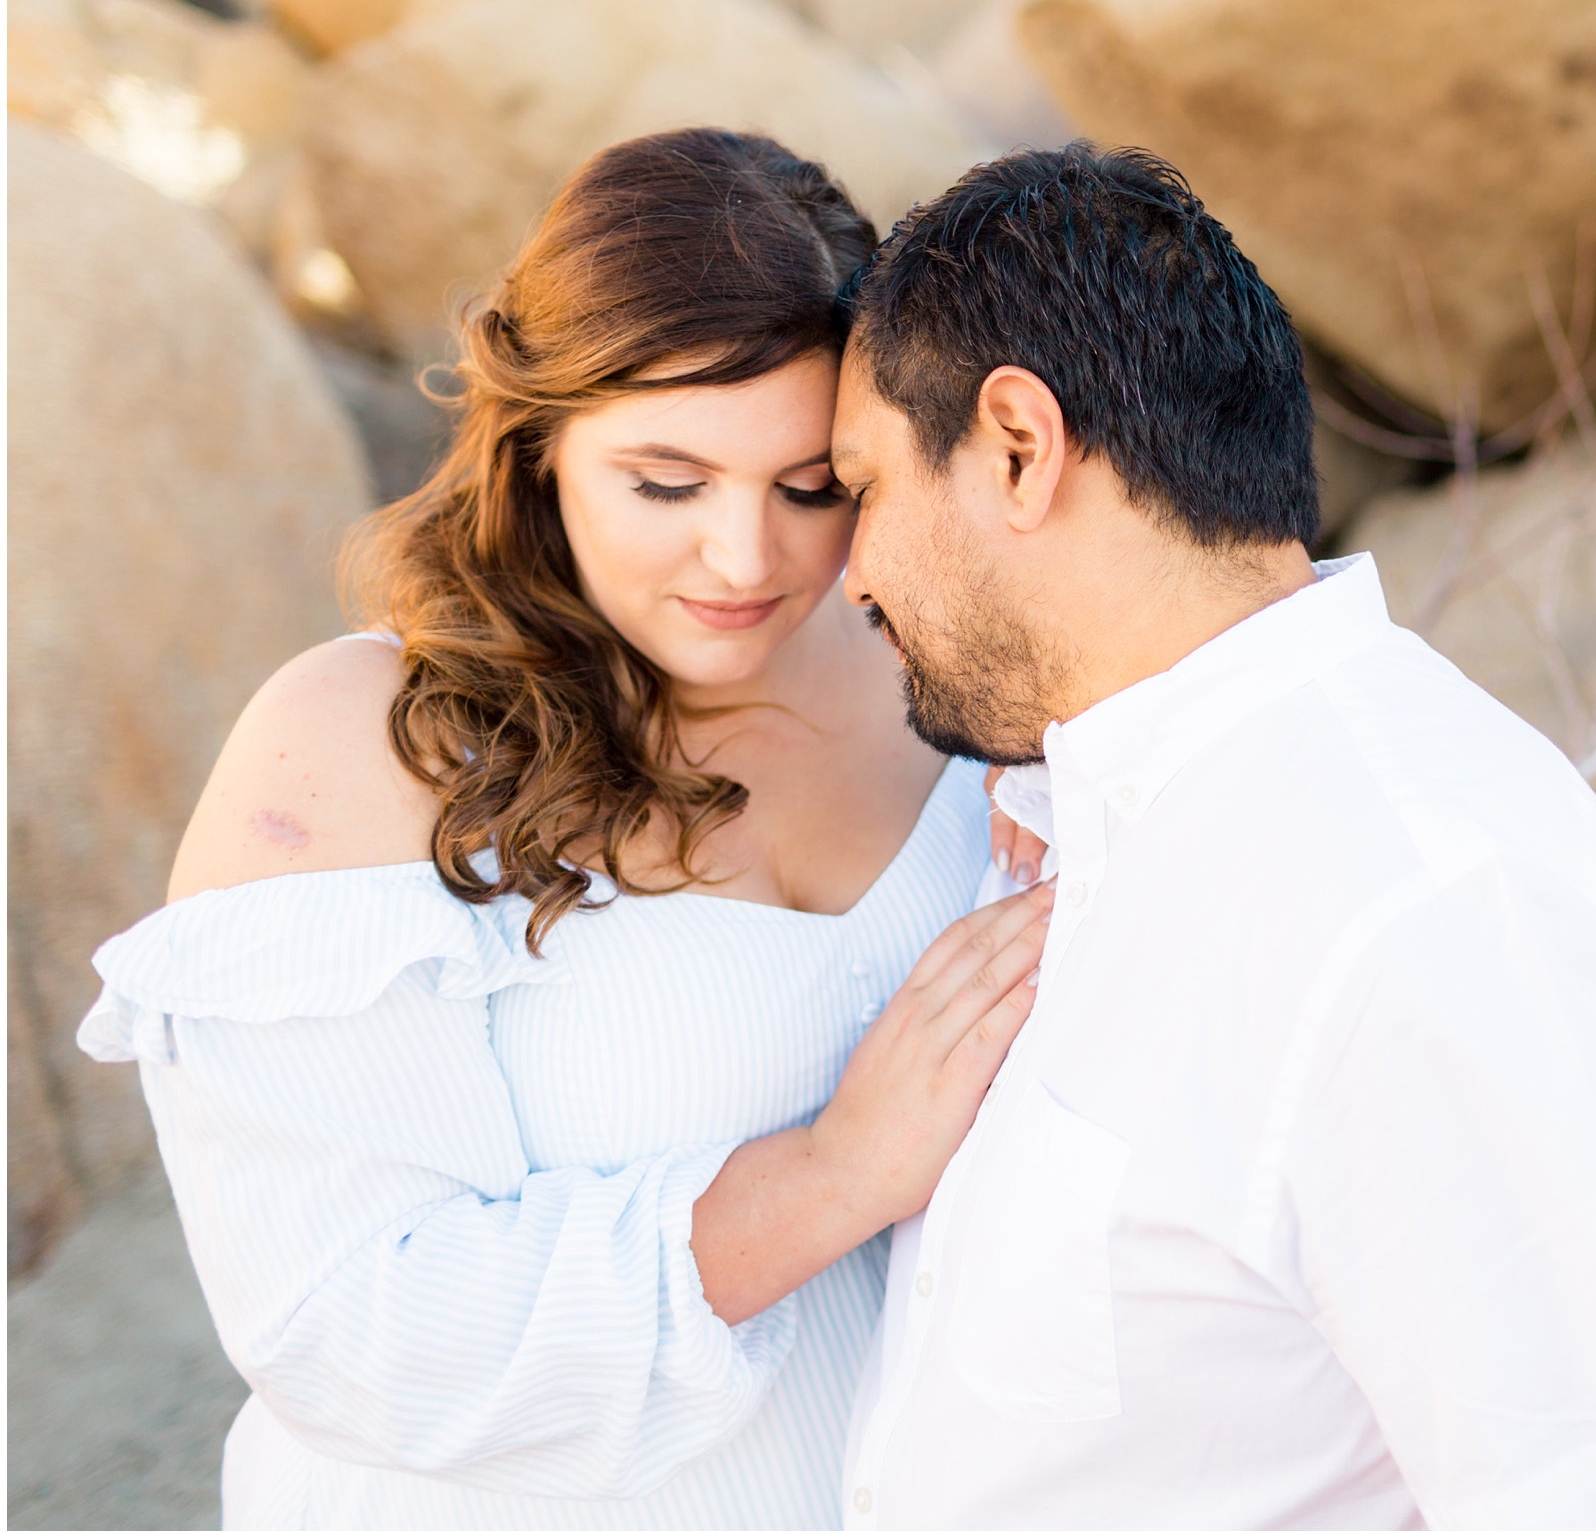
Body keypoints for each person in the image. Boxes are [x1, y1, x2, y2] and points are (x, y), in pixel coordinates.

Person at [76, 128, 1051, 1530]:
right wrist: (832, 1175)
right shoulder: (358, 743)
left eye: (809, 486)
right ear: (538, 449)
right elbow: (347, 1326)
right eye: (667, 482)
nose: (745, 559)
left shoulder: (941, 669)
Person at [825, 142, 1596, 1531]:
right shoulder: (1099, 817)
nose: (853, 575)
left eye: (863, 491)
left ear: (1019, 446)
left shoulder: (1430, 897)